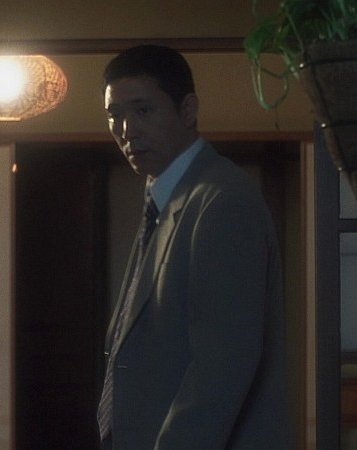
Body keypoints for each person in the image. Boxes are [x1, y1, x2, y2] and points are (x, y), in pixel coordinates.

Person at [96, 44, 292, 450]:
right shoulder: (164, 197)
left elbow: (220, 369)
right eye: (115, 115)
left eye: (143, 110)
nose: (127, 130)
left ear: (188, 110)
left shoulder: (222, 200)